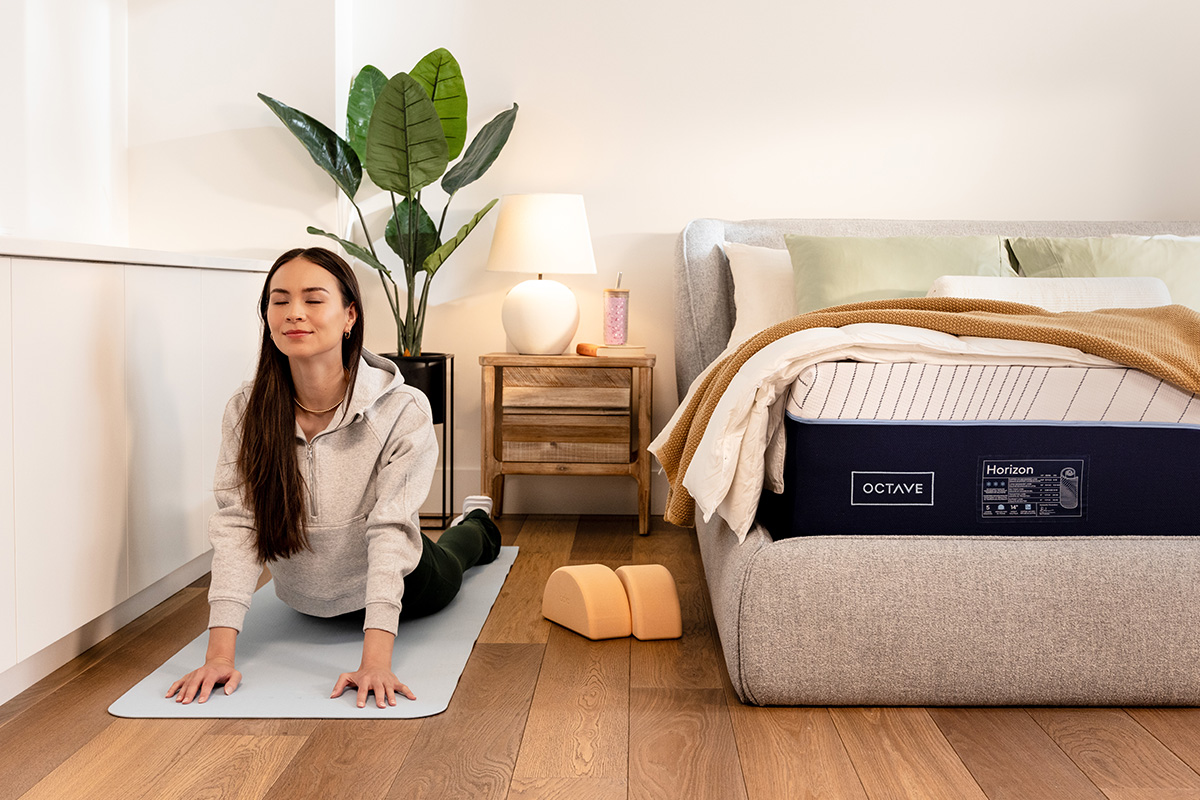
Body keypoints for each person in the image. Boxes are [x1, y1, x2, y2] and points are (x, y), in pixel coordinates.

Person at [166, 246, 500, 709]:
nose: (293, 312)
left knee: (455, 556)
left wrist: (375, 662)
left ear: (349, 316)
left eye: (313, 299)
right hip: (305, 598)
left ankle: (477, 523)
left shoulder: (402, 409)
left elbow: (391, 530)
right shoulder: (246, 410)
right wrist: (218, 657)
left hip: (406, 585)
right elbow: (239, 524)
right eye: (279, 300)